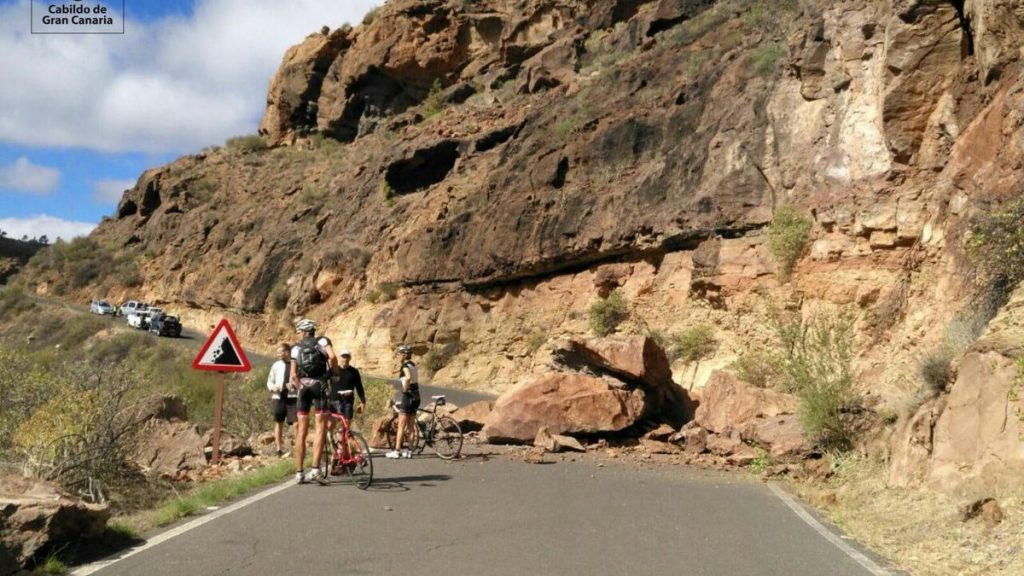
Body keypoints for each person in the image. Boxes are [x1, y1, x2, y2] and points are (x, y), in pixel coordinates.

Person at [290, 318, 340, 483]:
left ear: (303, 332)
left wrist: (300, 388)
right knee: (320, 429)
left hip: (303, 387)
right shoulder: (323, 341)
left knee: (302, 431)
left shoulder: (296, 347)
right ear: (313, 330)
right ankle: (316, 470)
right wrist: (334, 374)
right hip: (320, 386)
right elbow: (333, 358)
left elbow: (293, 375)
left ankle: (299, 473)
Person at [386, 345, 420, 459]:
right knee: (411, 427)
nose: (398, 356)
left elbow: (408, 377)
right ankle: (409, 451)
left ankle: (397, 451)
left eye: (399, 354)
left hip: (408, 396)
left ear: (404, 355)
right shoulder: (413, 365)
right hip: (416, 396)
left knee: (401, 425)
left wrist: (405, 389)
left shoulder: (405, 366)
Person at [266, 342, 297, 456]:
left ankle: (298, 447)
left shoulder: (295, 364)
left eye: (281, 352)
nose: (278, 354)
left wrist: (294, 385)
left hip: (293, 397)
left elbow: (300, 379)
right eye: (278, 352)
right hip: (278, 397)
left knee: (296, 423)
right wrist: (272, 387)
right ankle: (279, 449)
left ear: (287, 352)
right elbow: (269, 381)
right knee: (278, 422)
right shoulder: (276, 365)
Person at [330, 349, 365, 423]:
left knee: (347, 422)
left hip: (348, 401)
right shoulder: (333, 369)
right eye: (343, 356)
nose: (345, 359)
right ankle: (331, 434)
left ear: (350, 358)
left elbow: (359, 387)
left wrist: (362, 402)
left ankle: (343, 433)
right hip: (334, 400)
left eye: (347, 357)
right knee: (331, 424)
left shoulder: (354, 372)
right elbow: (323, 380)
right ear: (340, 358)